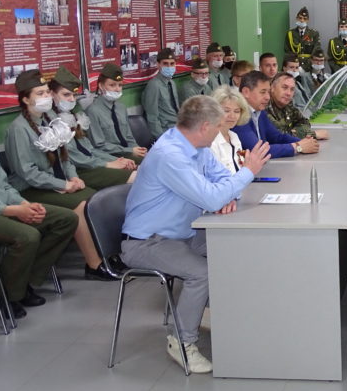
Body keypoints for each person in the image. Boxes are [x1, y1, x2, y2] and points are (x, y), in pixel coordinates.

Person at [120, 95, 271, 373]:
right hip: (148, 241)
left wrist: (228, 194)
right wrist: (247, 172)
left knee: (233, 248)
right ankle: (182, 342)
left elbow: (222, 181)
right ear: (204, 127)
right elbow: (213, 197)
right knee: (201, 273)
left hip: (182, 233)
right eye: (217, 126)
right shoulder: (170, 156)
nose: (220, 130)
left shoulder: (197, 146)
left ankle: (213, 313)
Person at [0, 84, 78, 319]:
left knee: (66, 219)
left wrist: (23, 204)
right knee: (27, 236)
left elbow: (4, 186)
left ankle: (21, 282)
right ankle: (4, 293)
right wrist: (12, 210)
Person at [5, 70, 116, 281]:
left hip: (58, 182)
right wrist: (61, 185)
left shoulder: (51, 120)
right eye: (40, 93)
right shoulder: (18, 129)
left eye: (47, 92)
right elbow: (27, 173)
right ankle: (94, 264)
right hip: (33, 189)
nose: (46, 97)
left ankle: (109, 255)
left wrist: (72, 177)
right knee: (81, 206)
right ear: (26, 99)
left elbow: (65, 157)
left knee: (97, 200)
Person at [49, 66, 136, 189]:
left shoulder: (73, 117)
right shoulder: (52, 123)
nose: (72, 99)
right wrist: (107, 164)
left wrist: (116, 160)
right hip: (81, 169)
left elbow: (90, 149)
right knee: (137, 177)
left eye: (74, 95)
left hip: (93, 162)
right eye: (66, 94)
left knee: (137, 170)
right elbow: (74, 157)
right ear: (52, 94)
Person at [232, 71, 319, 158]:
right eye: (263, 92)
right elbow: (258, 151)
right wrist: (298, 147)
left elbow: (277, 137)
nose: (267, 97)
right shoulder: (237, 115)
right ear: (246, 92)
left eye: (268, 92)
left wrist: (305, 142)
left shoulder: (259, 112)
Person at [85, 63, 147, 164]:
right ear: (101, 86)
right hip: (110, 156)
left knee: (152, 159)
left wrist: (137, 149)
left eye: (120, 85)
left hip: (127, 151)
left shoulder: (121, 107)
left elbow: (129, 137)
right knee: (145, 164)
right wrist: (129, 151)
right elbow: (99, 145)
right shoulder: (93, 111)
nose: (117, 89)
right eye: (112, 85)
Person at [266, 72, 328, 140]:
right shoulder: (264, 107)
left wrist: (294, 131)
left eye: (292, 89)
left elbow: (304, 122)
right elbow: (279, 135)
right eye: (284, 87)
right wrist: (314, 134)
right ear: (272, 88)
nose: (288, 93)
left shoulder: (288, 105)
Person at [141, 47, 181, 139]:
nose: (169, 67)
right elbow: (152, 117)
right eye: (165, 64)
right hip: (165, 130)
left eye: (172, 64)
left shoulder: (172, 83)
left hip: (177, 126)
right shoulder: (154, 85)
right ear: (158, 65)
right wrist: (162, 138)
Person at [209, 85, 250, 173]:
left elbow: (241, 167)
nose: (232, 116)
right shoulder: (210, 141)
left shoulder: (234, 136)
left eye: (236, 111)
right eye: (226, 111)